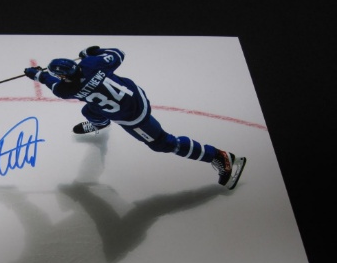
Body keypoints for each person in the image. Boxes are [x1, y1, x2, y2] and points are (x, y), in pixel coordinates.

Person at [24, 46, 246, 190]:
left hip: (132, 116)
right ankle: (101, 123)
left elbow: (50, 81)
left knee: (162, 143)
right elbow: (118, 53)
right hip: (134, 96)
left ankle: (220, 156)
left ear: (63, 76)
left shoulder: (66, 90)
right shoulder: (92, 64)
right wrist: (92, 52)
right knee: (89, 111)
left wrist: (37, 74)